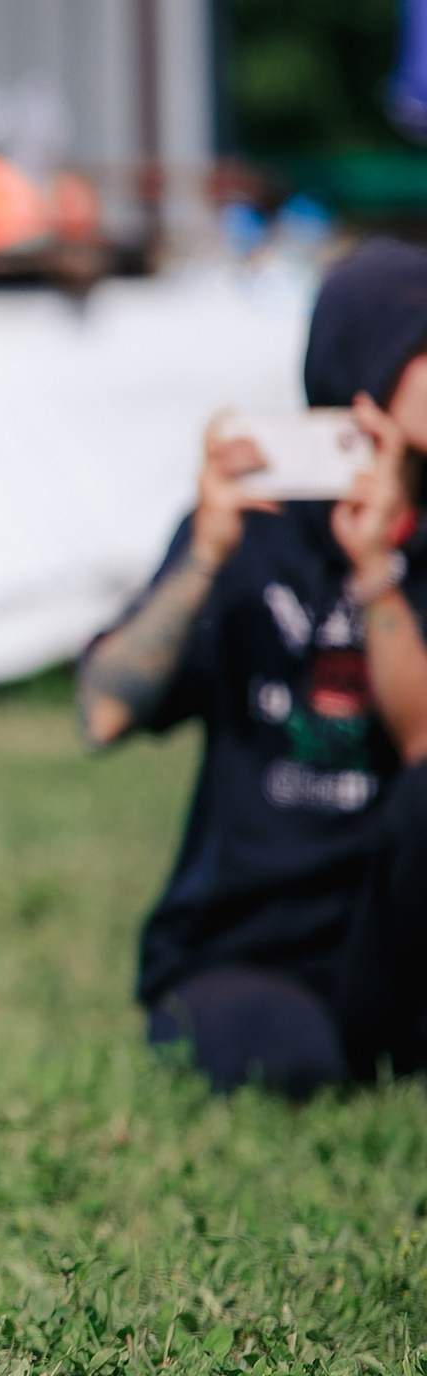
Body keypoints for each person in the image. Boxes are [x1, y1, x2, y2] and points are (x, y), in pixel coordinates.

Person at [79, 237, 427, 1097]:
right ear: (368, 363)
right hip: (244, 946)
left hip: (395, 937)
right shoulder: (253, 530)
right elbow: (103, 713)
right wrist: (203, 559)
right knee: (287, 1062)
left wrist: (377, 570)